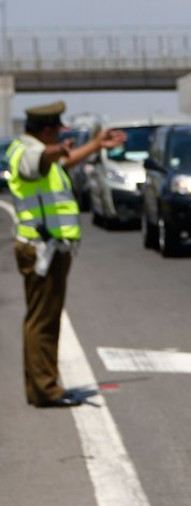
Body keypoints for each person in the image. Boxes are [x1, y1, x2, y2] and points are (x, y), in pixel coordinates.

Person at [8, 100, 125, 408]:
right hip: (41, 249)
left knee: (43, 319)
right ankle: (46, 389)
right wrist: (55, 151)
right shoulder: (28, 152)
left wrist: (96, 143)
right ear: (46, 130)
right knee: (42, 321)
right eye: (56, 132)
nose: (59, 137)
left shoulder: (37, 151)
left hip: (47, 248)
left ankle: (42, 387)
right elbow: (42, 159)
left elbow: (61, 160)